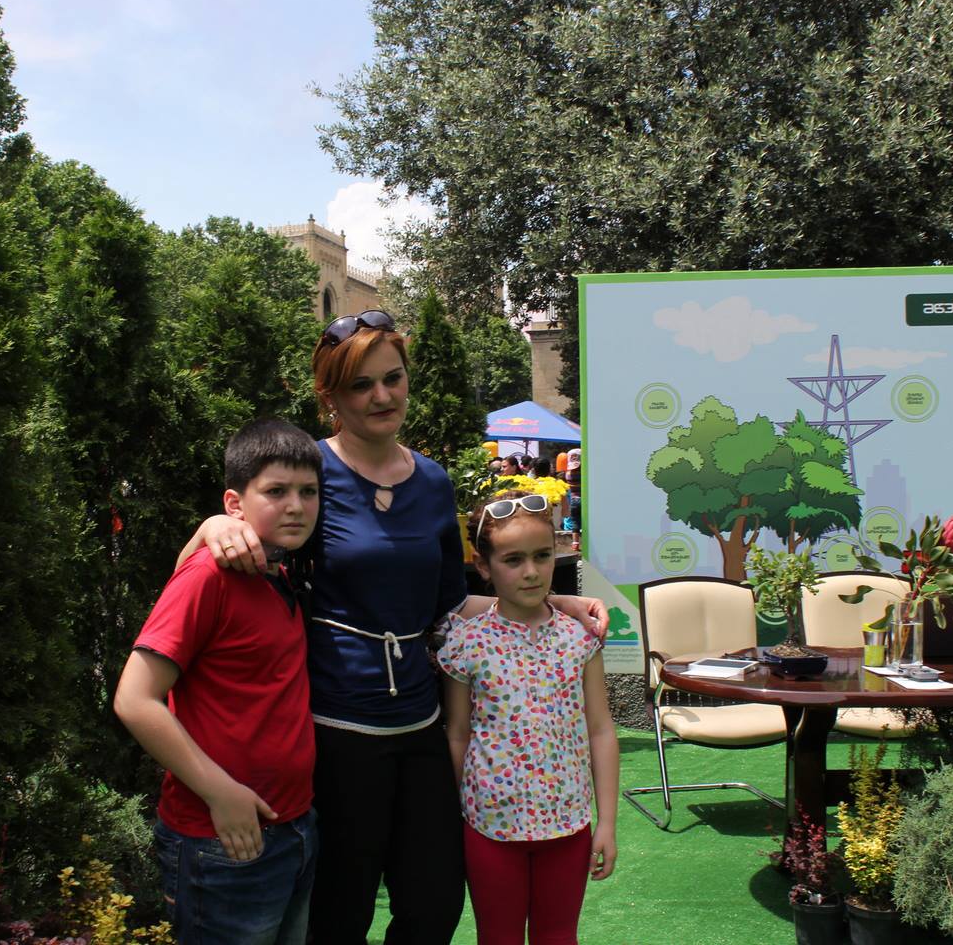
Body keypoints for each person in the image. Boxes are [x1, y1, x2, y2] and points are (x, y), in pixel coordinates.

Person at [178, 309, 607, 945]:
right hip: (335, 729)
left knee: (434, 906)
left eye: (392, 378)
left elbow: (449, 604)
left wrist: (552, 604)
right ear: (331, 397)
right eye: (361, 385)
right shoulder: (309, 477)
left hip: (420, 722)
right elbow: (224, 550)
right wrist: (214, 525)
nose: (382, 396)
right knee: (341, 913)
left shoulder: (431, 481)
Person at [115, 418, 322, 945]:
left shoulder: (279, 573)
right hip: (221, 839)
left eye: (308, 491)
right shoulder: (210, 575)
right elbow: (135, 699)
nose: (296, 506)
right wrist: (221, 792)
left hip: (293, 828)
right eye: (276, 491)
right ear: (235, 503)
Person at [440, 489, 619, 944]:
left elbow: (601, 730)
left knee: (558, 936)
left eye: (542, 555)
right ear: (483, 566)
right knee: (497, 936)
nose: (531, 571)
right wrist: (466, 809)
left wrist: (607, 822)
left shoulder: (580, 638)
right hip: (490, 827)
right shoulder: (466, 642)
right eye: (513, 560)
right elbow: (457, 733)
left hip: (568, 823)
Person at [562, 448, 583, 551]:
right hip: (584, 500)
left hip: (574, 500)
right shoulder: (583, 473)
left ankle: (575, 543)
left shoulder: (568, 474)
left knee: (575, 522)